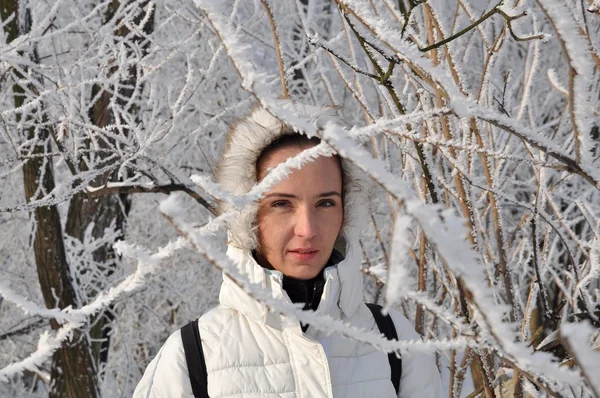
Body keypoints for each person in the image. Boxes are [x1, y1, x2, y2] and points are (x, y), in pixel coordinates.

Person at [133, 104, 443, 397]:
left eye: (325, 203)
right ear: (247, 214)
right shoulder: (193, 356)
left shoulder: (394, 343)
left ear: (346, 213)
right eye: (281, 204)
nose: (307, 229)